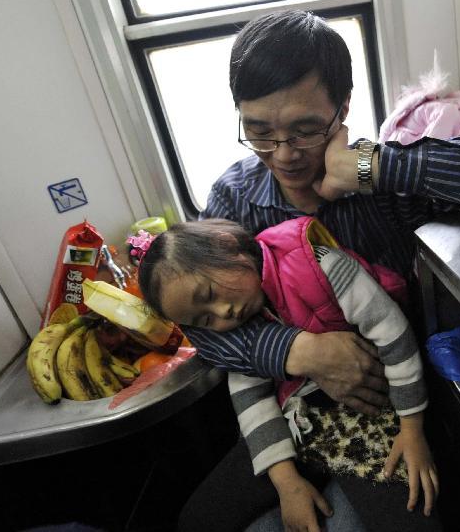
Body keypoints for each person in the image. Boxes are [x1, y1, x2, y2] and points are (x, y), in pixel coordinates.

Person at [186, 9, 460, 418]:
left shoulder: (382, 188)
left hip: (415, 394)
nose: (284, 154)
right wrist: (302, 351)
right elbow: (195, 325)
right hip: (306, 405)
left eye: (305, 129)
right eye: (260, 133)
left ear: (342, 109)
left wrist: (369, 167)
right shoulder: (235, 199)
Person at [136, 217, 440, 531]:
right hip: (299, 421)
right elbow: (250, 397)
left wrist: (413, 429)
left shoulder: (322, 267)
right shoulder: (241, 320)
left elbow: (395, 336)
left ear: (226, 245)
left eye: (210, 293)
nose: (222, 313)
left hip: (371, 410)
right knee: (197, 520)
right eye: (205, 320)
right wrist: (286, 482)